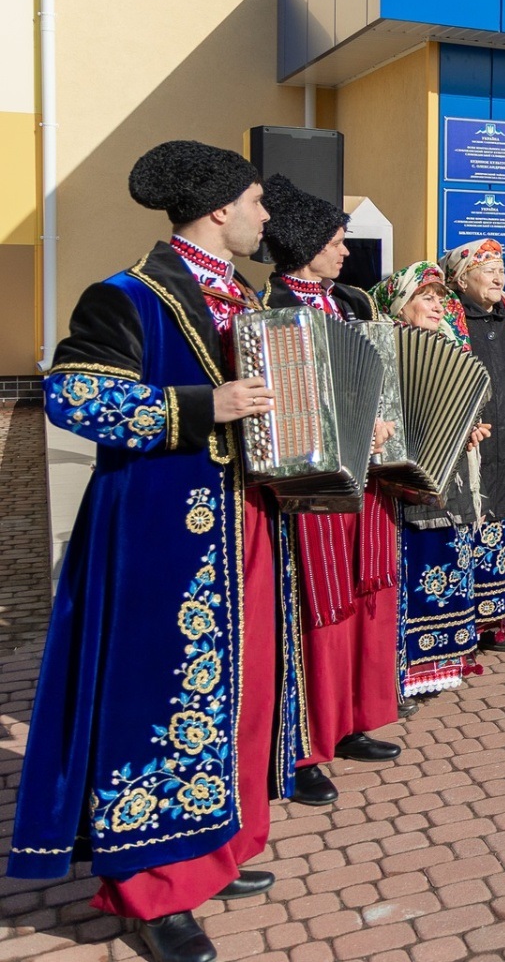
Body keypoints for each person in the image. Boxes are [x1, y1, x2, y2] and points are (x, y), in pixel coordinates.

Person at [12, 141, 298, 962]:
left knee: (236, 697)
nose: (266, 216)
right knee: (155, 704)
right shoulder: (127, 295)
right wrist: (204, 406)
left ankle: (212, 850)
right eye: (256, 201)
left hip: (244, 525)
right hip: (158, 537)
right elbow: (74, 396)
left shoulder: (249, 299)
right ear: (219, 209)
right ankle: (151, 889)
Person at [260, 175, 402, 809]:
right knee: (311, 608)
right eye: (336, 241)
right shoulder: (269, 310)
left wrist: (384, 422)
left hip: (364, 482)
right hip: (307, 487)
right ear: (304, 244)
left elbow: (380, 376)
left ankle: (348, 720)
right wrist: (348, 428)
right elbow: (283, 410)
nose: (346, 251)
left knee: (358, 599)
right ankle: (302, 747)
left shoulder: (351, 303)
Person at [371, 263, 487, 699]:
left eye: (441, 298)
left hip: (448, 486)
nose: (438, 306)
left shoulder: (451, 347)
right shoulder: (378, 346)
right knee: (411, 579)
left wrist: (470, 430)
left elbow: (456, 416)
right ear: (401, 303)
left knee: (448, 571)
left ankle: (438, 666)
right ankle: (401, 674)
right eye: (427, 297)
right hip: (397, 489)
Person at [443, 238, 505, 649]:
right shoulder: (451, 323)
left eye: (501, 269)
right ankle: (474, 622)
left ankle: (504, 620)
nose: (499, 277)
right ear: (463, 279)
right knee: (477, 527)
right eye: (489, 270)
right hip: (475, 449)